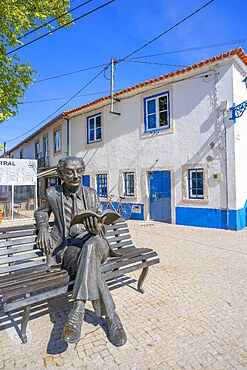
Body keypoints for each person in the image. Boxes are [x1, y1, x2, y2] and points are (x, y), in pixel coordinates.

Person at [34, 156, 127, 346]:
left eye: (79, 171)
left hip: (97, 244)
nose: (75, 176)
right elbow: (41, 212)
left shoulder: (91, 194)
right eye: (69, 172)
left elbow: (103, 227)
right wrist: (43, 227)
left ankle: (77, 310)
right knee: (90, 260)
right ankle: (112, 318)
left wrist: (97, 227)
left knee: (92, 246)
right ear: (61, 174)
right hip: (70, 250)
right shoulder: (52, 193)